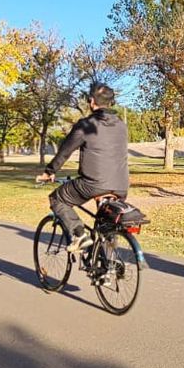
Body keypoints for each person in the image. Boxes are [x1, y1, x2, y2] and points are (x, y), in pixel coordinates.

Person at [36, 83, 129, 253]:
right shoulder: (122, 125)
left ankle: (79, 235)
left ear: (91, 101)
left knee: (57, 199)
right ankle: (106, 269)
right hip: (121, 185)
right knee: (107, 223)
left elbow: (65, 150)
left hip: (93, 184)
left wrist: (49, 172)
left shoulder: (86, 125)